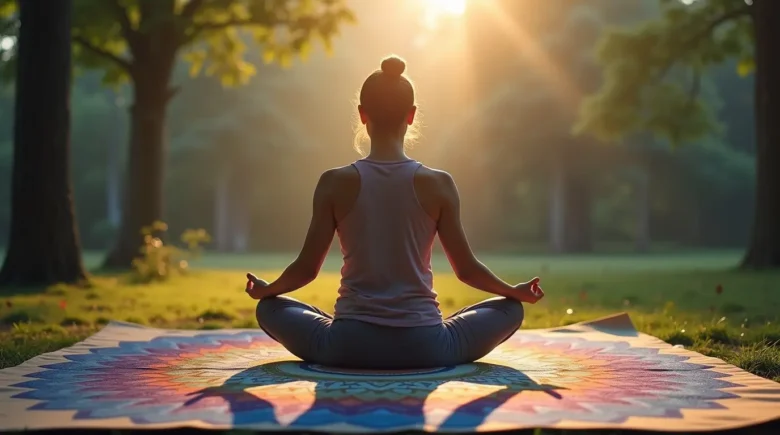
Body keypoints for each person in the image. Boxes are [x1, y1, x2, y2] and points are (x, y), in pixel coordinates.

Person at [246, 56, 545, 370]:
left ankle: (338, 334)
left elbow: (306, 269)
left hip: (347, 345)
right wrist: (514, 292)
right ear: (412, 116)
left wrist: (267, 290)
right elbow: (466, 270)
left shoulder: (333, 182)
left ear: (362, 115)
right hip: (427, 346)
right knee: (511, 309)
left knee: (270, 308)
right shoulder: (439, 184)